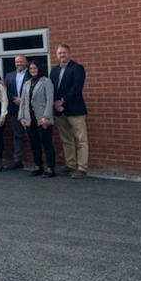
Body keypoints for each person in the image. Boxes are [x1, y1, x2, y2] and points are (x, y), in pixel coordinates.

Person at [49, 44, 89, 179]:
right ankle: (70, 165)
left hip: (75, 110)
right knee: (66, 140)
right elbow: (51, 89)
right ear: (57, 55)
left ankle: (82, 168)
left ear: (69, 53)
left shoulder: (77, 68)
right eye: (59, 53)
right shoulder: (53, 71)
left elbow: (76, 88)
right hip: (59, 111)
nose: (62, 55)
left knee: (81, 140)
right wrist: (56, 104)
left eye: (64, 53)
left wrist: (63, 101)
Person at [18, 60, 56, 178]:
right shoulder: (27, 83)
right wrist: (21, 117)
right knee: (34, 144)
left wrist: (46, 117)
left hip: (42, 118)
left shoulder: (46, 81)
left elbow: (50, 100)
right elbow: (23, 102)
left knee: (46, 143)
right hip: (30, 118)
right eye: (30, 69)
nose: (33, 71)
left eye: (35, 68)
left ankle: (50, 168)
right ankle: (38, 166)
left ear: (39, 69)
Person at [4, 55, 30, 169]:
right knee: (17, 135)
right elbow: (6, 90)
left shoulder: (32, 74)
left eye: (21, 61)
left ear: (26, 62)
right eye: (17, 62)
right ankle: (18, 159)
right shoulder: (9, 75)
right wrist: (14, 98)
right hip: (15, 109)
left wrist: (23, 100)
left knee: (33, 135)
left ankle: (38, 162)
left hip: (30, 109)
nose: (19, 63)